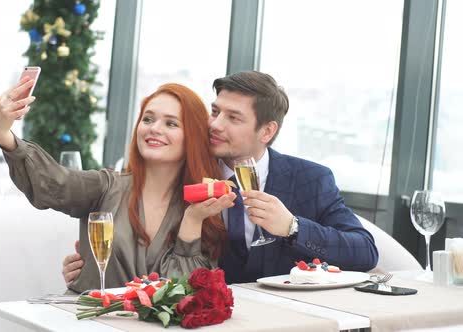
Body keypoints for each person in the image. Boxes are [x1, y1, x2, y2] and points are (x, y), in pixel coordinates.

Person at [63, 71, 379, 285]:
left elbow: (364, 252)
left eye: (233, 117)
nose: (214, 124)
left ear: (267, 131)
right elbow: (145, 251)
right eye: (215, 112)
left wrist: (292, 228)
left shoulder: (311, 179)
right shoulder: (182, 173)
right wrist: (92, 268)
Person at [0, 77, 235, 292]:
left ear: (192, 137)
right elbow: (55, 181)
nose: (154, 129)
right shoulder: (106, 186)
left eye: (171, 123)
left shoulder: (203, 207)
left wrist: (192, 221)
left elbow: (184, 292)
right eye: (148, 119)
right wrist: (4, 134)